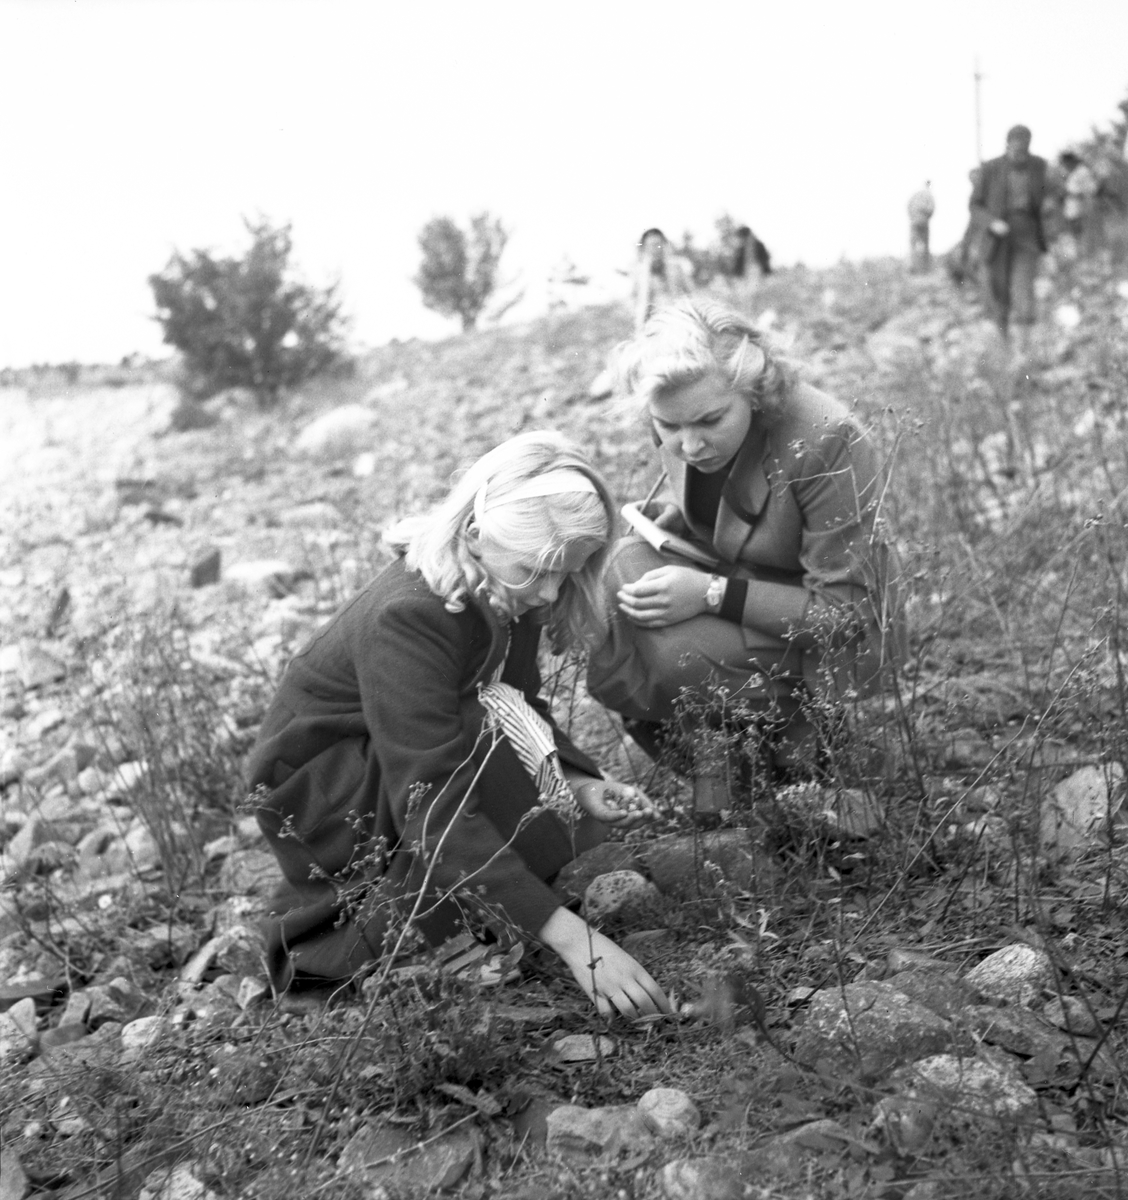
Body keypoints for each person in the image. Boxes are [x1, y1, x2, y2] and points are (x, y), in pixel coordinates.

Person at [248, 431, 672, 1020]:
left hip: (400, 754)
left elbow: (520, 701)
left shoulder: (505, 584)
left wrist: (576, 783)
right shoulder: (408, 615)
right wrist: (575, 940)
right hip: (321, 787)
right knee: (474, 728)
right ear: (474, 534)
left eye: (566, 573)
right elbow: (431, 794)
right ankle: (409, 928)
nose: (550, 591)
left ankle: (477, 901)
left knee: (487, 715)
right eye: (538, 571)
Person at [585, 299, 903, 813]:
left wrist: (712, 594)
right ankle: (729, 746)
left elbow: (846, 614)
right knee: (618, 570)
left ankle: (793, 742)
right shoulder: (681, 407)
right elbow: (738, 501)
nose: (689, 446)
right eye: (669, 427)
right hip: (745, 585)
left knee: (675, 654)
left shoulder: (829, 439)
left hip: (825, 635)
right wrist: (679, 516)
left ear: (755, 392)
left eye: (710, 421)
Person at [970, 125, 1049, 353]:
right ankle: (1003, 342)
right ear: (1007, 145)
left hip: (1027, 232)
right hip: (998, 237)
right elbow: (975, 205)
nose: (1020, 154)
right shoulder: (990, 168)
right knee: (999, 288)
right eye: (1016, 149)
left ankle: (1024, 349)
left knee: (1023, 286)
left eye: (1024, 148)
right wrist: (991, 222)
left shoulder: (1039, 166)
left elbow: (1048, 197)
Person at [633, 227, 693, 334]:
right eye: (650, 245)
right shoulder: (639, 273)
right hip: (652, 325)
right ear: (645, 247)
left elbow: (690, 293)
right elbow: (635, 300)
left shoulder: (677, 267)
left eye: (658, 244)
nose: (655, 249)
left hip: (680, 321)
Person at [907, 182, 935, 273]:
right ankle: (923, 268)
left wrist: (913, 217)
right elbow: (931, 209)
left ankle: (915, 267)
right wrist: (924, 216)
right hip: (922, 222)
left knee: (914, 245)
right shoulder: (929, 196)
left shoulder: (916, 195)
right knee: (924, 246)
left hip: (915, 222)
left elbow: (909, 205)